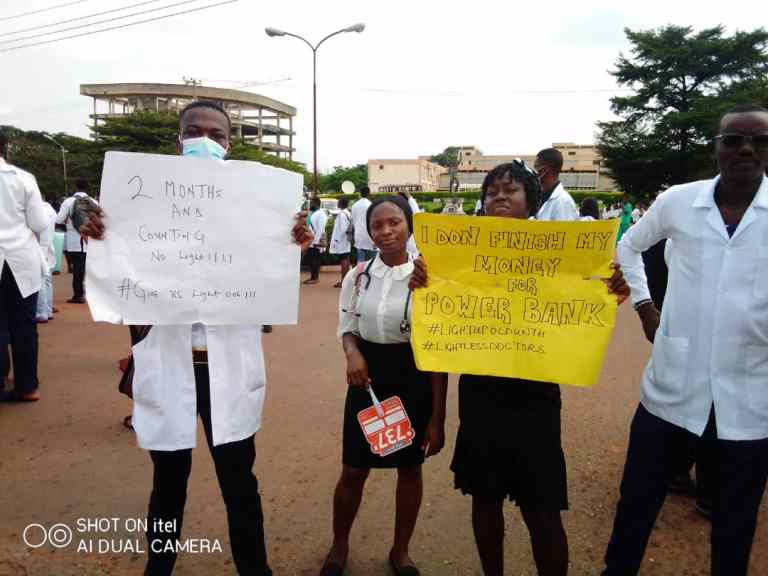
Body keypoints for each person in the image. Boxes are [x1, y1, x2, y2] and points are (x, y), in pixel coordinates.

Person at [80, 100, 314, 576]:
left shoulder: (256, 208)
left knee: (239, 482)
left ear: (229, 145)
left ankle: (255, 569)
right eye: (194, 130)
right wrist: (99, 233)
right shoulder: (141, 204)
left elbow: (269, 276)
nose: (205, 140)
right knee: (168, 482)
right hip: (170, 363)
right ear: (177, 140)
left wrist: (292, 241)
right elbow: (120, 274)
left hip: (228, 370)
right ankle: (158, 567)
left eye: (216, 134)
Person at [409, 161, 628, 576]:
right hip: (481, 398)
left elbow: (591, 296)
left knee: (541, 508)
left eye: (511, 191)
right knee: (484, 499)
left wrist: (611, 287)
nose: (500, 198)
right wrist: (423, 282)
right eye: (492, 192)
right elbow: (437, 333)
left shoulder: (560, 254)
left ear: (532, 200)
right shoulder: (456, 257)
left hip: (535, 401)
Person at [603, 104, 768, 576]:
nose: (746, 150)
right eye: (734, 139)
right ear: (716, 148)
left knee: (734, 524)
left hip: (750, 401)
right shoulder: (679, 201)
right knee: (635, 508)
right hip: (671, 391)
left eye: (758, 141)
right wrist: (643, 305)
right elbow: (627, 246)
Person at [319, 195, 447, 576]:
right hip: (368, 379)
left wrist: (438, 419)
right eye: (378, 225)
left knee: (410, 469)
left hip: (414, 377)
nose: (386, 231)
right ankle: (339, 547)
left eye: (395, 223)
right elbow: (346, 326)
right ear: (368, 231)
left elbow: (438, 353)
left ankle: (400, 551)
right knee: (354, 470)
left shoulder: (429, 277)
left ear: (409, 226)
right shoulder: (357, 275)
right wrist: (352, 353)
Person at [0, 131, 50, 402]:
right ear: (4, 148)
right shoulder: (23, 179)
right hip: (21, 260)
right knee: (24, 325)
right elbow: (40, 224)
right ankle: (27, 386)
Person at [56, 179, 96, 303]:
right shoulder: (93, 201)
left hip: (74, 238)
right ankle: (93, 293)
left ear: (75, 187)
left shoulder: (68, 202)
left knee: (78, 267)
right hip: (91, 239)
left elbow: (58, 220)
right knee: (88, 267)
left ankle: (78, 294)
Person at [534, 149, 578, 221]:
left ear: (544, 170)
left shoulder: (563, 202)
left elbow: (564, 231)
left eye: (536, 167)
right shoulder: (541, 196)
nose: (534, 171)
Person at [35, 201, 58, 323]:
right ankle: (48, 310)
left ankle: (41, 312)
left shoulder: (37, 209)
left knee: (40, 280)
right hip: (49, 245)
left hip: (39, 247)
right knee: (47, 280)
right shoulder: (50, 210)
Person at [304, 196, 328, 285]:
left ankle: (315, 278)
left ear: (316, 204)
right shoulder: (314, 213)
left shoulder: (321, 214)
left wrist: (315, 242)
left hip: (316, 242)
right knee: (311, 259)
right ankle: (313, 277)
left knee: (315, 260)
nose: (311, 205)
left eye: (312, 203)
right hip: (311, 240)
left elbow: (320, 229)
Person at [330, 197, 352, 288]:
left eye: (338, 202)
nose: (337, 203)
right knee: (346, 259)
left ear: (341, 204)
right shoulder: (347, 213)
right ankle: (345, 281)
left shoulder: (342, 214)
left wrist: (337, 240)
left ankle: (344, 281)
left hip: (342, 241)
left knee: (344, 260)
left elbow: (342, 229)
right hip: (345, 241)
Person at [351, 186, 376, 262]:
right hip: (369, 236)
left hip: (358, 236)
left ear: (360, 194)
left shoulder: (354, 205)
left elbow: (353, 221)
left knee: (360, 260)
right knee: (372, 261)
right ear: (369, 194)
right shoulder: (370, 205)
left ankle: (360, 273)